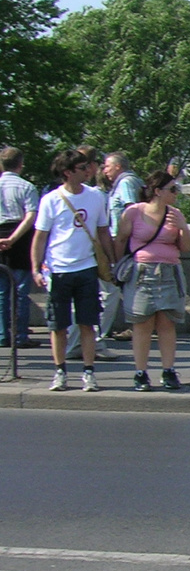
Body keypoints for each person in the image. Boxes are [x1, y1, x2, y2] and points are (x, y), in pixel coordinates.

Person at [30, 149, 112, 391]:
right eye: (82, 167)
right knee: (58, 325)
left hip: (86, 267)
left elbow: (103, 231)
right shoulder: (51, 200)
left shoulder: (96, 196)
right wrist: (36, 268)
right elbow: (40, 237)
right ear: (67, 172)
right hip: (58, 269)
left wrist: (112, 260)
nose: (88, 171)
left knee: (88, 322)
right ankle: (60, 371)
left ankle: (88, 372)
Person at [115, 170, 190, 391]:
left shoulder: (174, 214)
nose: (176, 194)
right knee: (142, 324)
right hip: (141, 272)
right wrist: (117, 267)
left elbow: (186, 247)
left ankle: (168, 371)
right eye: (172, 190)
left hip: (169, 271)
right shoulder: (134, 213)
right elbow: (120, 240)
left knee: (167, 323)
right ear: (158, 191)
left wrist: (183, 226)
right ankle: (141, 373)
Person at [99, 152, 144, 340]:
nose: (105, 171)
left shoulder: (125, 183)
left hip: (124, 240)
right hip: (124, 239)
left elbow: (131, 209)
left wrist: (122, 242)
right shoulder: (127, 182)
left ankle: (135, 326)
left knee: (126, 282)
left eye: (107, 166)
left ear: (118, 166)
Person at [0, 146, 40, 348]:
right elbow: (31, 216)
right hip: (21, 236)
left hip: (1, 233)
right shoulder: (27, 187)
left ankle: (2, 333)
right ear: (20, 164)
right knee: (21, 290)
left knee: (2, 290)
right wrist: (14, 238)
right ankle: (20, 335)